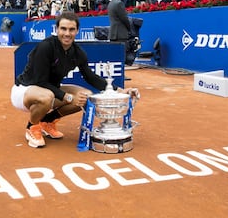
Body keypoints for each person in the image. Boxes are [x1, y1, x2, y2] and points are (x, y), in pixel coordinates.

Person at [11, 12, 139, 148]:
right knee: (47, 97)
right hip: (24, 91)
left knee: (86, 96)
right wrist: (68, 98)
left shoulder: (78, 53)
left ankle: (47, 121)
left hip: (49, 90)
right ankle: (32, 127)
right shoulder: (46, 47)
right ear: (57, 29)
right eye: (63, 29)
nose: (67, 33)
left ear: (77, 31)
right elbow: (40, 82)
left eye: (71, 29)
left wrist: (120, 91)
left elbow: (91, 77)